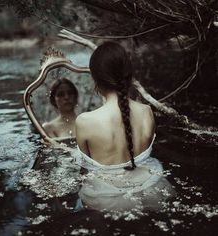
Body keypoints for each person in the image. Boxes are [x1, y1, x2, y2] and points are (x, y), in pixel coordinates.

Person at [74, 42, 174, 212]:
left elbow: (84, 170)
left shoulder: (84, 121)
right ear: (128, 75)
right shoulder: (146, 111)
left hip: (105, 200)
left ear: (95, 78)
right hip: (152, 190)